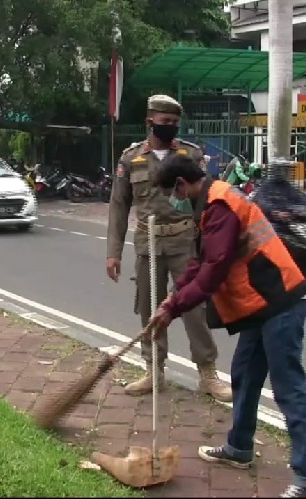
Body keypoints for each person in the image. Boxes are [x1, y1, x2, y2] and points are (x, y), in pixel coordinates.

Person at [147, 154, 306, 498]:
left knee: (288, 386)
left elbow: (213, 271)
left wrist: (173, 310)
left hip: (280, 301)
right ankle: (240, 447)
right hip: (260, 305)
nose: (174, 200)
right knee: (244, 373)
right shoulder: (211, 204)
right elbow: (200, 261)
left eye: (172, 192)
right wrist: (173, 297)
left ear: (182, 185)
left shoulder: (221, 206)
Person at [106, 94, 232, 402]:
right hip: (147, 243)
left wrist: (206, 244)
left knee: (193, 308)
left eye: (175, 123)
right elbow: (118, 206)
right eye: (164, 123)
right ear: (150, 122)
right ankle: (153, 371)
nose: (170, 128)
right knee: (151, 309)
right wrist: (113, 252)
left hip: (183, 242)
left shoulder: (191, 154)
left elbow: (205, 199)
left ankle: (207, 373)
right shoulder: (131, 158)